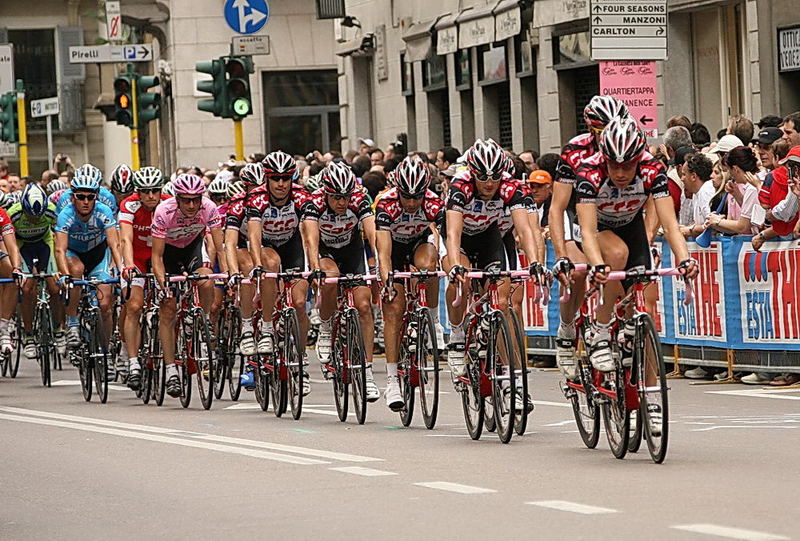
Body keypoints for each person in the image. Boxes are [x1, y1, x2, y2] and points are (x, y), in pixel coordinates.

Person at [575, 117, 698, 435]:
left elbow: (670, 225)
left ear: (637, 160)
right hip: (599, 230)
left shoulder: (651, 170)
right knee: (615, 256)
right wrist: (596, 265)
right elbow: (587, 231)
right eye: (613, 166)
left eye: (626, 166)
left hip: (632, 230)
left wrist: (685, 260)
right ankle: (600, 330)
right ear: (604, 159)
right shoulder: (589, 172)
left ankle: (652, 399)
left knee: (648, 308)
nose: (619, 173)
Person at [442, 139, 541, 410]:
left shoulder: (510, 187)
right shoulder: (460, 186)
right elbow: (452, 234)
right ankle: (458, 333)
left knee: (503, 303)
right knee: (458, 279)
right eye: (483, 177)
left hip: (489, 238)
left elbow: (526, 230)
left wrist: (534, 262)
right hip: (460, 240)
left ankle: (513, 383)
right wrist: (455, 265)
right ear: (472, 172)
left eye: (495, 177)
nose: (489, 183)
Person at [549, 95, 628, 380]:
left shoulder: (630, 145)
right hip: (577, 215)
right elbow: (557, 208)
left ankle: (611, 328)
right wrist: (560, 254)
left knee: (625, 272)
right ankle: (567, 331)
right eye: (602, 130)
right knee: (578, 273)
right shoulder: (575, 151)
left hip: (612, 216)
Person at [303, 162, 381, 402]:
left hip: (351, 250)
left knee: (364, 305)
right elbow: (311, 240)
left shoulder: (360, 200)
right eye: (336, 197)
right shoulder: (313, 203)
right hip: (325, 251)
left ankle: (366, 374)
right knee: (330, 278)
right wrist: (315, 267)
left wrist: (379, 263)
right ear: (326, 192)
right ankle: (325, 329)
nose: (342, 202)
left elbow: (373, 234)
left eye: (345, 197)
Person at [375, 156, 444, 411]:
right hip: (393, 248)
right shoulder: (387, 204)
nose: (413, 203)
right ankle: (392, 380)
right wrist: (388, 281)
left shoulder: (434, 202)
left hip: (418, 242)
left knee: (429, 266)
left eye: (418, 197)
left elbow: (446, 240)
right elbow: (382, 252)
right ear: (399, 190)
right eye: (407, 196)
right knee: (393, 310)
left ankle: (434, 320)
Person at [245, 151, 313, 397]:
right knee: (269, 265)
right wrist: (256, 264)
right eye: (276, 179)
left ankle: (302, 362)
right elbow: (253, 236)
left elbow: (310, 232)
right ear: (267, 179)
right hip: (267, 246)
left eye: (286, 178)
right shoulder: (256, 198)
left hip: (293, 246)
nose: (282, 184)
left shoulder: (301, 196)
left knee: (298, 302)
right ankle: (265, 327)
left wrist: (312, 264)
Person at [151, 173, 224, 398]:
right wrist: (162, 282)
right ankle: (171, 369)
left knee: (206, 278)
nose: (192, 205)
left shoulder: (209, 207)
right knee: (168, 309)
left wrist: (230, 274)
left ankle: (202, 321)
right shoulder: (164, 211)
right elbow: (157, 256)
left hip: (192, 247)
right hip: (169, 254)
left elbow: (220, 248)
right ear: (177, 198)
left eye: (196, 199)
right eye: (186, 200)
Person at [54, 166, 122, 355]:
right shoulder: (65, 213)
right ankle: (73, 323)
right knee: (76, 270)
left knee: (105, 305)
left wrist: (121, 270)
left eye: (90, 197)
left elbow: (114, 244)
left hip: (97, 253)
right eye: (80, 196)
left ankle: (106, 351)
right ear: (72, 196)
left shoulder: (104, 210)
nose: (85, 201)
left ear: (96, 197)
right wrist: (65, 275)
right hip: (73, 252)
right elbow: (60, 248)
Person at [118, 167, 168, 389]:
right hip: (136, 258)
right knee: (135, 306)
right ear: (137, 192)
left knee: (168, 305)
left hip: (160, 258)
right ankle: (132, 361)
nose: (151, 196)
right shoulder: (129, 205)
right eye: (145, 191)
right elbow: (125, 239)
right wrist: (128, 265)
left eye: (155, 190)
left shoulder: (169, 204)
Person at [9, 183, 63, 358]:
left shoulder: (51, 210)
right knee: (27, 288)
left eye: (37, 217)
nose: (34, 219)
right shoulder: (14, 213)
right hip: (22, 245)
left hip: (44, 243)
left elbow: (60, 237)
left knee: (55, 286)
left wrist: (60, 267)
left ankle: (58, 329)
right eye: (30, 216)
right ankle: (29, 335)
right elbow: (8, 240)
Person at [224, 162, 263, 363]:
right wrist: (232, 272)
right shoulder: (238, 203)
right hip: (242, 244)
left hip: (268, 245)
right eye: (252, 189)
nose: (257, 193)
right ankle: (247, 327)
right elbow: (228, 244)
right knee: (248, 267)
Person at [705, 146, 762, 235]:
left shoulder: (752, 188)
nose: (730, 174)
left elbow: (742, 226)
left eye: (729, 170)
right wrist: (714, 223)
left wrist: (717, 220)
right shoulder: (751, 186)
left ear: (735, 169)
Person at [677, 152, 716, 239]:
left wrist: (689, 230)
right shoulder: (696, 193)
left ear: (693, 176)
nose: (681, 179)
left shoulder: (706, 190)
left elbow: (713, 226)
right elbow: (700, 223)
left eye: (684, 174)